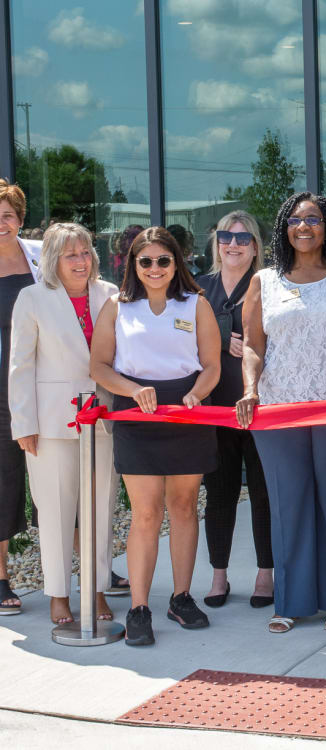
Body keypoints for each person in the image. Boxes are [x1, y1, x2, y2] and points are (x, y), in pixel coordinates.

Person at [236, 192, 326, 635]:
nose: (303, 227)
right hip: (277, 410)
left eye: (313, 219)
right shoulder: (264, 280)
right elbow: (253, 344)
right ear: (282, 228)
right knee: (288, 503)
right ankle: (290, 601)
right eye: (294, 219)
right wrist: (250, 389)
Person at [90, 226, 221, 646]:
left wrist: (196, 395)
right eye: (145, 261)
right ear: (133, 264)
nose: (154, 268)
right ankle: (139, 608)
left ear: (176, 263)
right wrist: (132, 391)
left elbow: (212, 365)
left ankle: (181, 598)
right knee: (146, 514)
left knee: (183, 507)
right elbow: (100, 367)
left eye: (163, 260)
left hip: (187, 411)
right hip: (136, 411)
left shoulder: (196, 304)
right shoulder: (117, 307)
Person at [8, 223, 117, 624]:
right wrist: (24, 423)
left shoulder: (111, 295)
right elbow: (20, 364)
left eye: (86, 252)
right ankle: (58, 593)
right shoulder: (32, 298)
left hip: (104, 419)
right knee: (54, 509)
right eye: (71, 254)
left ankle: (97, 589)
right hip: (51, 422)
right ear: (53, 259)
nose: (81, 261)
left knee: (100, 508)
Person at [196, 210, 273, 609]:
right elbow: (181, 338)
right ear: (216, 241)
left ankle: (265, 574)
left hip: (257, 403)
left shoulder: (267, 285)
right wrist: (221, 339)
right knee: (219, 492)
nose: (233, 245)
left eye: (243, 239)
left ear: (256, 246)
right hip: (215, 408)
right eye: (226, 236)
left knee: (262, 493)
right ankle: (218, 575)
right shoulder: (198, 287)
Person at [0, 179, 40, 616]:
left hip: (40, 386)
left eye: (8, 215)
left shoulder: (41, 257)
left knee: (58, 476)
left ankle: (88, 569)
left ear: (20, 219)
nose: (1, 224)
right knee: (4, 480)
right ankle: (1, 576)